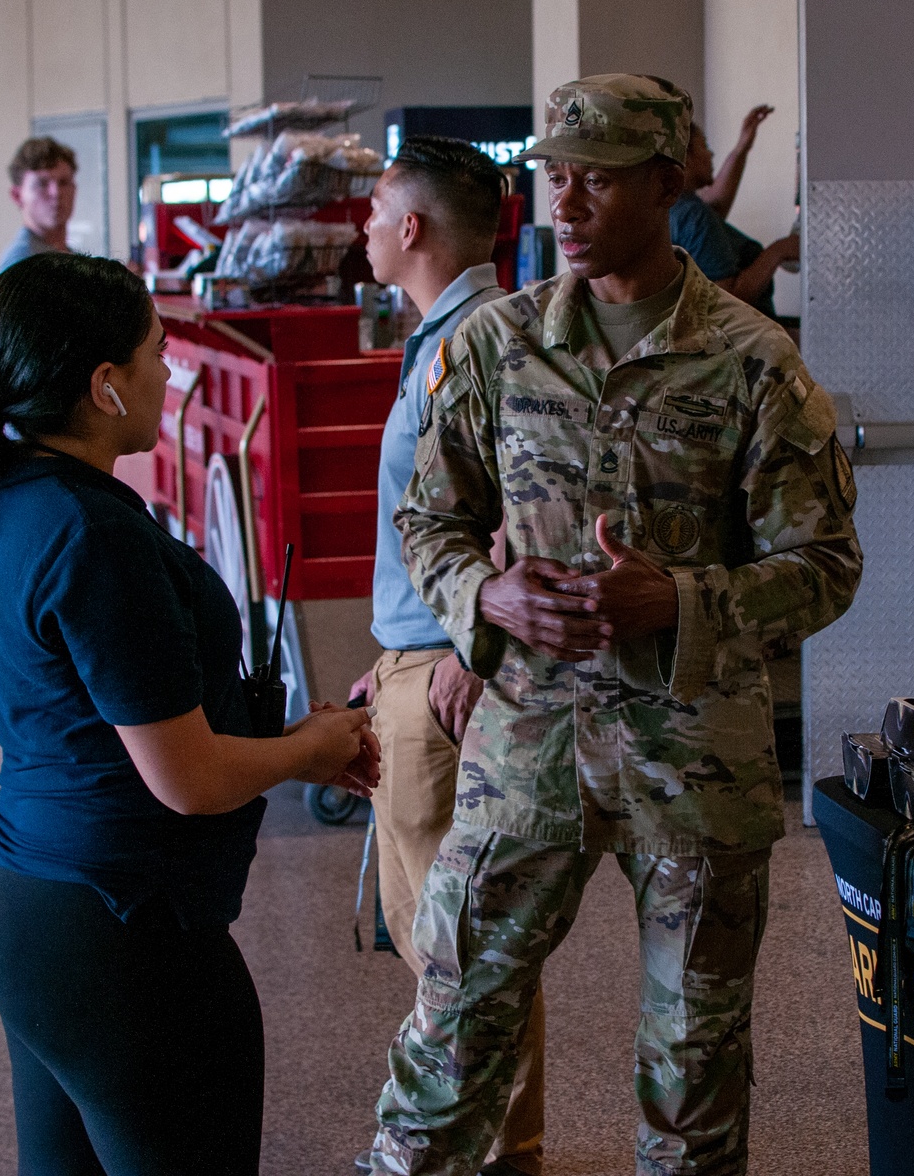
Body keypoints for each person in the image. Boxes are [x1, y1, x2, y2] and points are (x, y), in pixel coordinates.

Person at [365, 74, 863, 1175]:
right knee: (451, 1026)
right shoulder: (495, 346)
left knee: (694, 1061)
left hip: (692, 755)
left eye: (593, 177)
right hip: (523, 747)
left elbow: (823, 565)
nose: (565, 201)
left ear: (666, 181)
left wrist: (678, 600)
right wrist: (482, 598)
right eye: (553, 175)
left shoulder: (752, 363)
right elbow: (426, 521)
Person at [0, 252, 379, 1175]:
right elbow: (189, 781)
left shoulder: (7, 495)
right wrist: (307, 751)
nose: (171, 372)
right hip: (117, 934)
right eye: (157, 353)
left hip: (29, 903)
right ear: (104, 387)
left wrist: (280, 739)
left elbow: (112, 726)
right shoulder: (93, 535)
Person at [347, 136, 547, 1176]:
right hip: (415, 659)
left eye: (375, 213)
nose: (364, 232)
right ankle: (488, 1139)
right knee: (440, 928)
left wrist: (469, 647)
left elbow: (525, 510)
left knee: (466, 939)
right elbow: (431, 519)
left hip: (450, 670)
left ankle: (497, 1150)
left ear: (411, 226)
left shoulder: (477, 339)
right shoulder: (444, 335)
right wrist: (389, 655)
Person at [668, 103, 798, 316]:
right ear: (686, 157)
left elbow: (716, 208)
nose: (711, 154)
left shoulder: (674, 208)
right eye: (705, 146)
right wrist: (778, 251)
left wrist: (742, 147)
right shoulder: (692, 215)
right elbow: (726, 301)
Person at [0, 136, 79, 272]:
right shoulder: (22, 263)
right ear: (17, 196)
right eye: (42, 184)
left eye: (63, 182)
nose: (56, 193)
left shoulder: (68, 257)